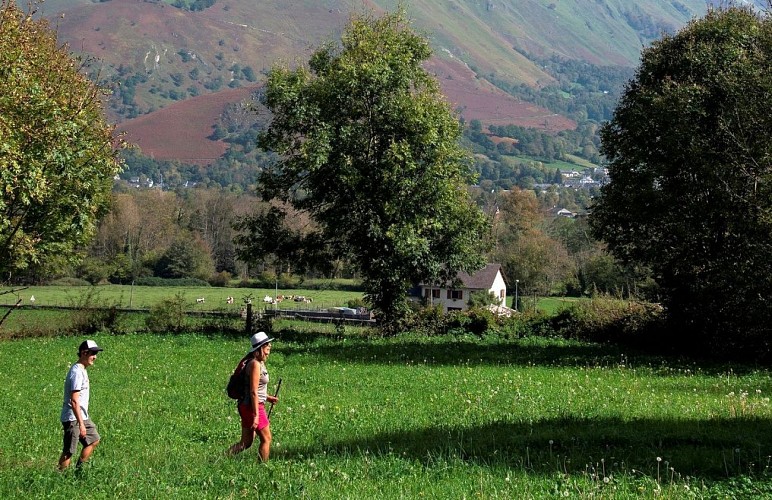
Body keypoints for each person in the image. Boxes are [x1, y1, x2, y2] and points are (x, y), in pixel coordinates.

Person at [228, 331, 278, 461]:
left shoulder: (258, 362)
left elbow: (253, 389)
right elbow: (253, 391)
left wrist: (268, 397)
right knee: (266, 439)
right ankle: (263, 468)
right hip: (253, 407)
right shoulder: (255, 364)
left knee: (246, 442)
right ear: (261, 348)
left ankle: (221, 458)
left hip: (246, 405)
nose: (269, 351)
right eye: (267, 348)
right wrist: (256, 416)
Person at [59, 339, 104, 471]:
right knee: (69, 451)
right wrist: (81, 424)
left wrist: (83, 421)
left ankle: (79, 470)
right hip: (73, 418)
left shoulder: (82, 369)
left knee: (94, 439)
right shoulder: (77, 372)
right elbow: (74, 400)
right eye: (93, 353)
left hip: (81, 416)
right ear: (84, 353)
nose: (95, 357)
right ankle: (60, 477)